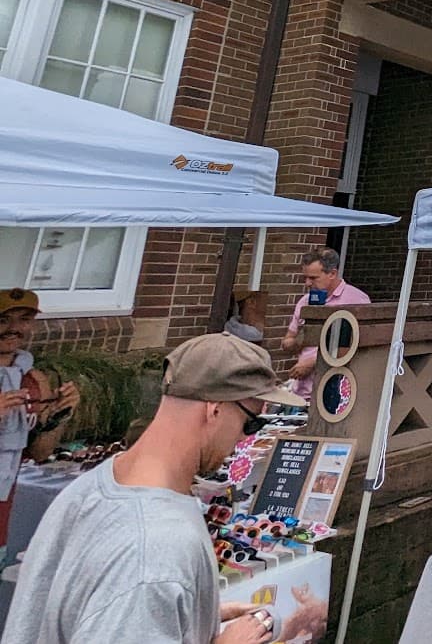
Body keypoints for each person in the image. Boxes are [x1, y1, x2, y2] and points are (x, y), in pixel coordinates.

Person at [3, 333, 305, 644]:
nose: (247, 440)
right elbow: (141, 581)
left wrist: (182, 617)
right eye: (251, 423)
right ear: (214, 409)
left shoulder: (94, 485)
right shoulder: (155, 552)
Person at [0, 288, 80, 559]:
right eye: (3, 320)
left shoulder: (34, 379)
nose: (13, 329)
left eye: (23, 320)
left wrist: (59, 414)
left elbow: (40, 452)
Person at [280, 248, 369, 399]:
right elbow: (287, 341)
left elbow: (358, 346)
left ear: (332, 274)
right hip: (303, 389)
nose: (308, 283)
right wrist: (298, 342)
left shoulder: (356, 300)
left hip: (335, 389)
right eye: (305, 278)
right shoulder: (305, 301)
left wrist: (313, 362)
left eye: (313, 278)